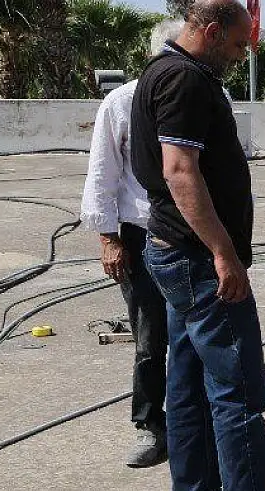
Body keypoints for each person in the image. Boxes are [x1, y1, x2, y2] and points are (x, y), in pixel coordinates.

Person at [132, 0, 265, 491]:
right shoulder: (185, 82)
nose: (242, 56)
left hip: (175, 254)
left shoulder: (164, 71)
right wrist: (223, 253)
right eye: (239, 45)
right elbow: (179, 170)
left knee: (187, 381)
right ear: (211, 31)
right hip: (196, 260)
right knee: (238, 388)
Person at [79, 19, 184, 468]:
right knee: (150, 335)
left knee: (196, 336)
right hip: (140, 235)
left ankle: (194, 426)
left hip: (193, 234)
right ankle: (151, 425)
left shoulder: (205, 98)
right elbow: (102, 176)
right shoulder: (120, 103)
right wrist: (108, 239)